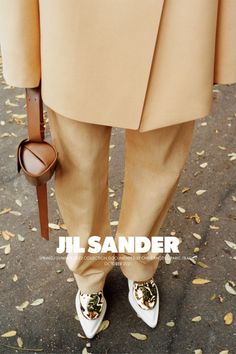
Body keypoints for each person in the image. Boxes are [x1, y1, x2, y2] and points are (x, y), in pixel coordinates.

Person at [0, 0, 235, 339]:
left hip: (179, 18)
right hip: (73, 19)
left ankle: (138, 261)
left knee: (161, 160)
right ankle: (89, 271)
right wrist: (22, 49)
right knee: (77, 165)